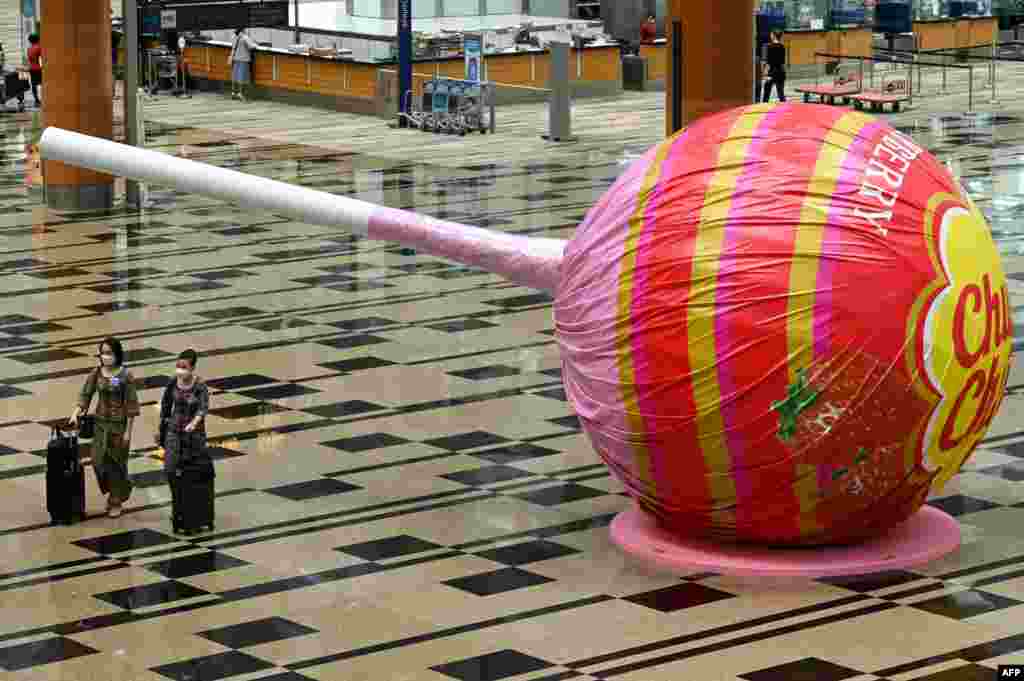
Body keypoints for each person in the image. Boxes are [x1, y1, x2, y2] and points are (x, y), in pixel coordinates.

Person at [70, 338, 139, 518]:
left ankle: (115, 500)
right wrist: (76, 412)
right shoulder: (97, 373)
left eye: (109, 353)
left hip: (118, 425)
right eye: (103, 353)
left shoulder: (125, 376)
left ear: (117, 354)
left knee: (116, 463)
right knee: (98, 460)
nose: (105, 357)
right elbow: (86, 394)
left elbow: (131, 405)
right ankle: (122, 487)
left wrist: (128, 433)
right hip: (100, 424)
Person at [155, 349, 209, 491]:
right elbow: (166, 404)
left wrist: (194, 423)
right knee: (170, 467)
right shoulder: (173, 382)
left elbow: (203, 408)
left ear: (192, 368)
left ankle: (188, 502)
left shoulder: (200, 386)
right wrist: (161, 426)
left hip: (193, 435)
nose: (180, 370)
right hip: (174, 429)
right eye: (178, 366)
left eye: (184, 367)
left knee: (189, 469)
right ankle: (177, 497)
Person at [228, 27, 257, 101]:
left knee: (234, 76)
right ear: (243, 29)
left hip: (235, 58)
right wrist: (256, 44)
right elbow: (251, 46)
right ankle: (240, 93)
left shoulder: (234, 36)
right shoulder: (245, 37)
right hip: (243, 59)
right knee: (241, 77)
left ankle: (233, 93)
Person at [762, 31, 786, 103]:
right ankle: (785, 109)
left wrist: (764, 73)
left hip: (771, 72)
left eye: (771, 34)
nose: (770, 36)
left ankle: (764, 108)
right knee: (781, 94)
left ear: (774, 36)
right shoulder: (782, 46)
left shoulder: (768, 46)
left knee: (766, 94)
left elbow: (767, 62)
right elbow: (783, 62)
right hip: (780, 72)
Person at [26, 33, 41, 108]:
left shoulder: (29, 49)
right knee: (43, 83)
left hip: (32, 68)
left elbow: (29, 60)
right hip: (39, 68)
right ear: (37, 40)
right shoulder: (39, 48)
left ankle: (36, 99)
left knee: (34, 85)